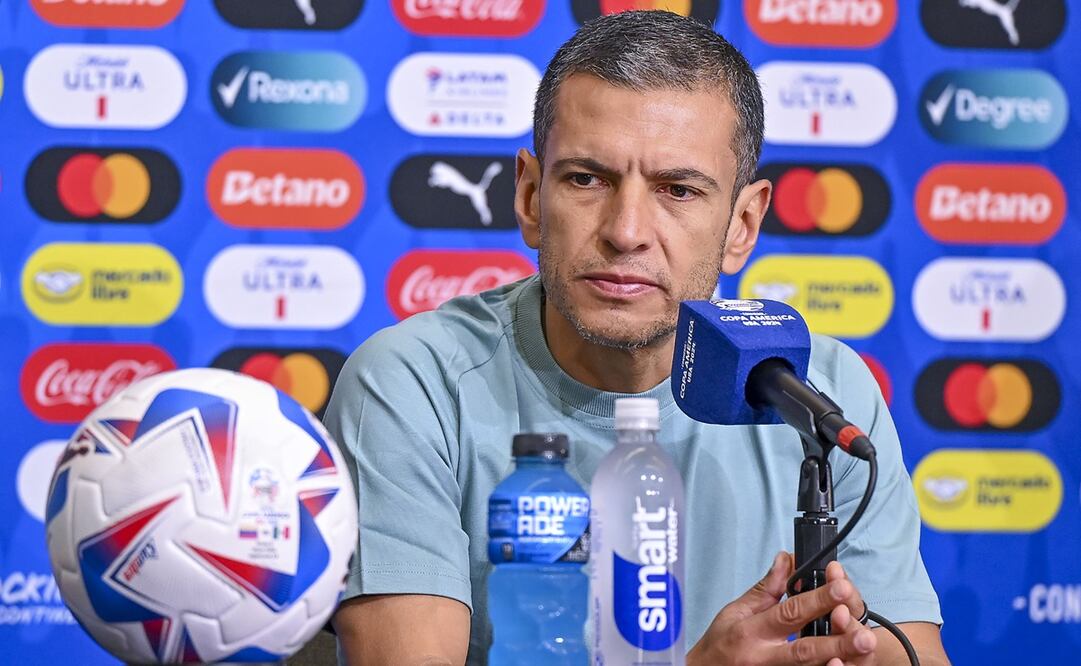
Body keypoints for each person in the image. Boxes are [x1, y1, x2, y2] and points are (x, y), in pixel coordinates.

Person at [324, 10, 950, 665]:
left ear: (742, 225)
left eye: (677, 190)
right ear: (531, 197)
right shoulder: (413, 384)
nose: (625, 232)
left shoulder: (819, 393)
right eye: (586, 179)